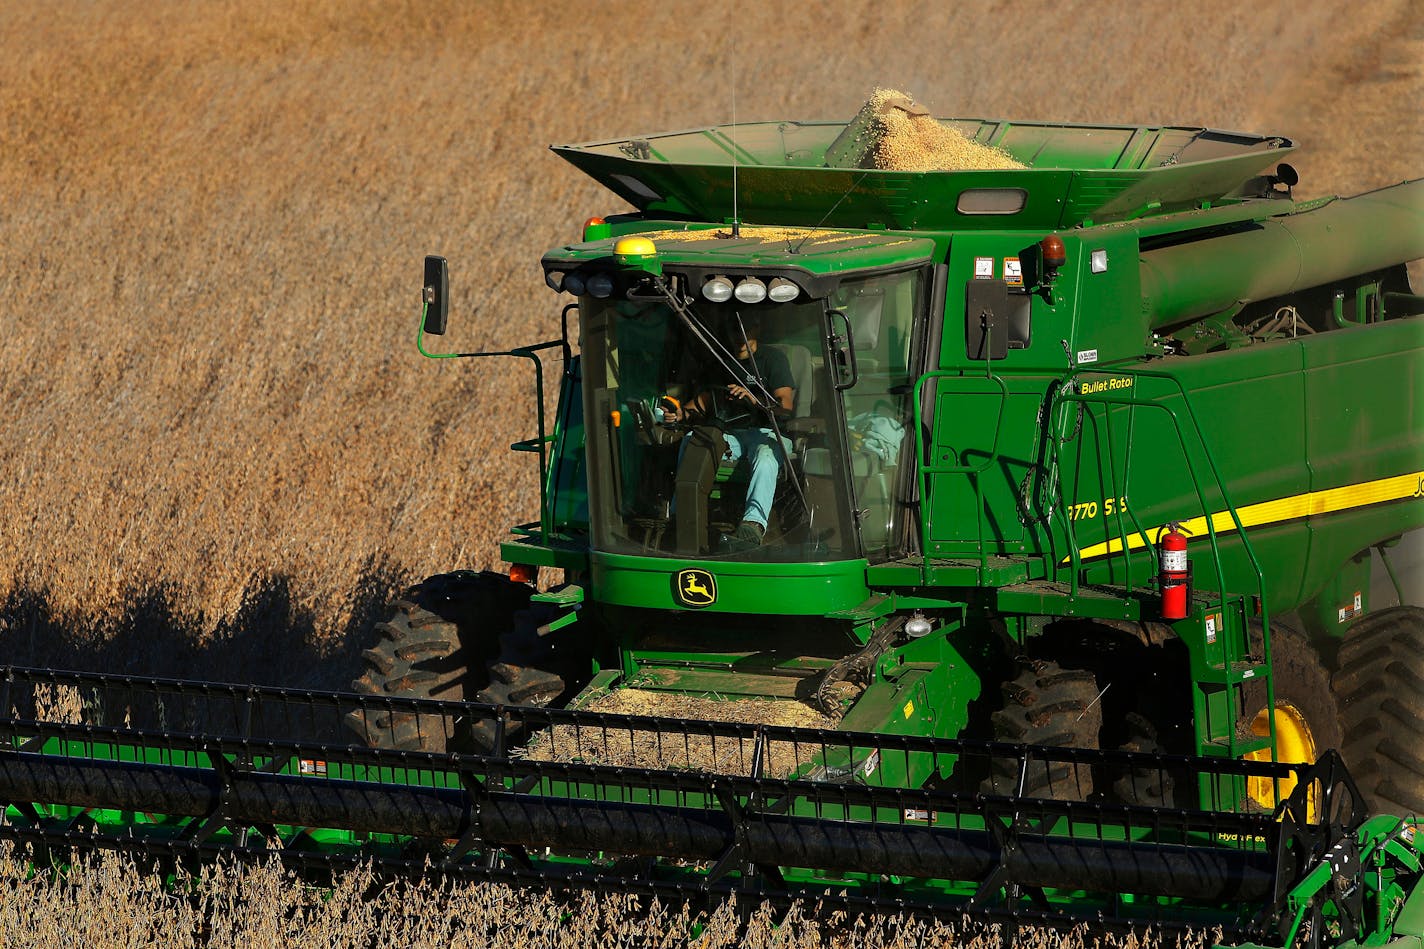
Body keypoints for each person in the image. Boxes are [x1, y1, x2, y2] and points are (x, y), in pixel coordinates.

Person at [663, 316, 795, 548]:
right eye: (735, 330)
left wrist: (755, 400)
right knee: (693, 440)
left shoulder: (773, 359)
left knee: (766, 457)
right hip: (731, 435)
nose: (740, 336)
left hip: (767, 432)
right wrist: (679, 414)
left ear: (757, 327)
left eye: (746, 328)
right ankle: (678, 517)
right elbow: (701, 403)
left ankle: (752, 526)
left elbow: (785, 406)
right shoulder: (721, 363)